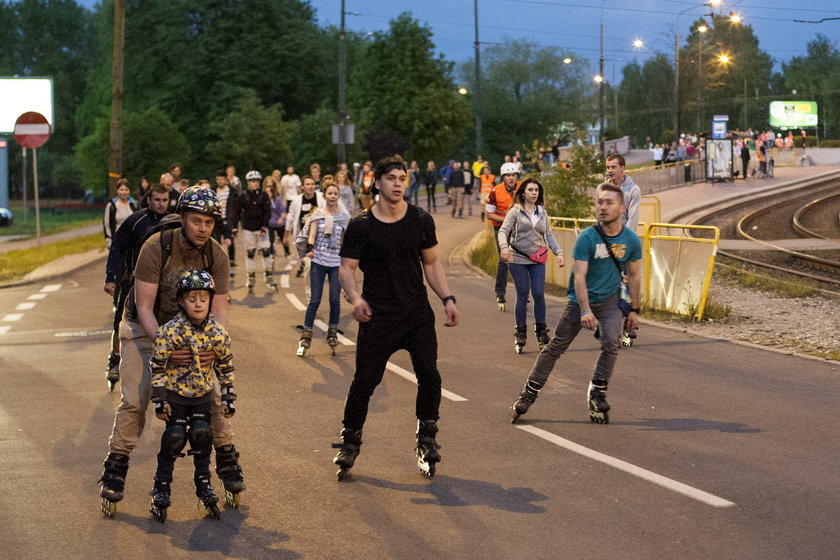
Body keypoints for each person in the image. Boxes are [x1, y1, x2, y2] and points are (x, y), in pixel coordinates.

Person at [98, 186, 245, 518]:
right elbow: (144, 307)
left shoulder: (216, 255)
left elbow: (219, 313)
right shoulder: (156, 247)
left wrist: (211, 345)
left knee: (212, 396)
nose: (203, 228)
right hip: (144, 330)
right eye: (196, 221)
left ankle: (227, 463)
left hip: (194, 332)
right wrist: (169, 347)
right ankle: (116, 469)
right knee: (136, 400)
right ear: (183, 219)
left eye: (209, 222)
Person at [333, 155, 460, 480]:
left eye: (402, 178)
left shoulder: (420, 219)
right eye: (391, 178)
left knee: (430, 376)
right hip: (377, 317)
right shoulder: (362, 225)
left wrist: (447, 298)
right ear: (377, 183)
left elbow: (431, 263)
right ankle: (350, 442)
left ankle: (426, 438)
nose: (398, 183)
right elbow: (346, 267)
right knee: (365, 382)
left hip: (416, 314)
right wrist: (356, 298)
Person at [510, 182, 642, 424]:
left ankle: (597, 392)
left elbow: (634, 275)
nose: (602, 207)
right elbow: (579, 277)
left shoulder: (631, 240)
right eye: (599, 202)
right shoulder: (588, 238)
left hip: (611, 300)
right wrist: (584, 310)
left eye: (608, 202)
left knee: (612, 342)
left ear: (622, 208)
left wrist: (634, 309)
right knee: (555, 347)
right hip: (580, 301)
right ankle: (528, 393)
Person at [148, 269, 237, 522]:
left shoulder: (217, 333)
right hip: (176, 396)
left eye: (203, 298)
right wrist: (160, 398)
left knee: (201, 437)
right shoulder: (170, 331)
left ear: (210, 300)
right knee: (174, 438)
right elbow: (157, 365)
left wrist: (229, 397)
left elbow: (226, 365)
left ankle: (204, 484)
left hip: (202, 396)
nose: (198, 304)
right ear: (181, 301)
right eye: (191, 298)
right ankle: (161, 487)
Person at [103, 184, 170, 391]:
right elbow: (117, 247)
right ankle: (115, 360)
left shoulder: (173, 222)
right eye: (157, 200)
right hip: (131, 281)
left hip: (161, 282)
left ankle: (162, 363)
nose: (161, 204)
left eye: (165, 200)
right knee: (120, 320)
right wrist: (111, 277)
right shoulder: (136, 221)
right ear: (149, 200)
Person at [497, 177, 565, 354]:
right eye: (530, 190)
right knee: (523, 294)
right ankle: (520, 332)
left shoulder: (542, 211)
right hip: (517, 257)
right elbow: (503, 231)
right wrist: (504, 247)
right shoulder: (515, 211)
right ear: (523, 193)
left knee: (538, 293)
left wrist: (559, 252)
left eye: (536, 190)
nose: (534, 193)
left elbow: (548, 235)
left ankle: (541, 333)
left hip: (537, 259)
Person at [294, 182, 351, 357]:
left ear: (338, 196)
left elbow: (346, 241)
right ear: (324, 196)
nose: (332, 196)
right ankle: (306, 333)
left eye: (335, 193)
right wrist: (310, 249)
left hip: (336, 263)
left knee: (335, 299)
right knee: (315, 300)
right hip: (318, 261)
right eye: (330, 193)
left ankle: (333, 331)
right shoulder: (317, 215)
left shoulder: (343, 218)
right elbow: (310, 236)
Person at [486, 162, 520, 310]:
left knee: (521, 260)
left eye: (513, 175)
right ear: (503, 177)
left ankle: (523, 294)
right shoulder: (495, 191)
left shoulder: (522, 188)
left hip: (520, 228)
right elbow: (489, 214)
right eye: (508, 175)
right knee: (504, 259)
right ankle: (500, 293)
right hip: (501, 228)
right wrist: (507, 221)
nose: (511, 178)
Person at [237, 170, 275, 293]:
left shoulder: (264, 195)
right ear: (248, 183)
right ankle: (251, 277)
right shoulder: (243, 195)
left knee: (266, 251)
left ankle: (268, 275)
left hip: (261, 229)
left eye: (257, 181)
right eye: (252, 181)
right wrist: (233, 226)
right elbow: (237, 210)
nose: (255, 183)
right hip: (248, 228)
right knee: (250, 253)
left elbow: (267, 211)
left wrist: (264, 226)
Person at [284, 175, 326, 287]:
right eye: (308, 184)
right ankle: (310, 296)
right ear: (302, 187)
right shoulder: (296, 201)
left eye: (312, 184)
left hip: (321, 237)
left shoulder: (322, 198)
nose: (311, 186)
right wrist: (285, 235)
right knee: (309, 265)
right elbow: (290, 218)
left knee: (331, 265)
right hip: (305, 238)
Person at [604, 153, 641, 232]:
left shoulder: (634, 190)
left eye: (613, 167)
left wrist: (625, 238)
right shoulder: (601, 189)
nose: (610, 170)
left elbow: (633, 218)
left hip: (623, 238)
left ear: (622, 168)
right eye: (608, 167)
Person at [212, 170, 239, 274]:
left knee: (230, 243)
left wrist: (235, 225)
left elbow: (236, 210)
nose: (220, 181)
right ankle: (218, 266)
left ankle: (232, 264)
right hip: (217, 220)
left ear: (226, 179)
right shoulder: (213, 191)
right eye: (218, 179)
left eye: (222, 179)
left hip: (228, 220)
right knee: (216, 243)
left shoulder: (232, 191)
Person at [103, 179, 139, 249]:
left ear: (129, 191)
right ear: (117, 190)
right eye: (121, 190)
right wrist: (109, 241)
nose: (124, 192)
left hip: (132, 242)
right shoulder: (111, 205)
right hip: (117, 241)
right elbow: (107, 224)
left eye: (126, 190)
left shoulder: (134, 204)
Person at [264, 175, 289, 259]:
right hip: (270, 223)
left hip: (279, 223)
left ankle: (287, 251)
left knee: (283, 238)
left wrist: (281, 218)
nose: (268, 194)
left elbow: (283, 210)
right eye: (266, 192)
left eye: (269, 192)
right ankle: (271, 253)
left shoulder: (277, 199)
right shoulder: (263, 201)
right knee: (270, 239)